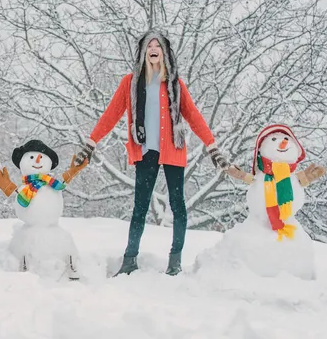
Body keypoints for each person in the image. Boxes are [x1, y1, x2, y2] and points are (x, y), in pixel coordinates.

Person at [75, 30, 239, 276]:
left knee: (178, 205)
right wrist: (91, 142)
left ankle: (175, 262)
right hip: (145, 151)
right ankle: (129, 260)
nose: (153, 48)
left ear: (164, 52)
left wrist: (212, 146)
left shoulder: (175, 84)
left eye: (158, 45)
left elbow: (194, 116)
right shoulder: (130, 83)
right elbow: (111, 114)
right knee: (139, 207)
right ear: (143, 52)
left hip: (172, 150)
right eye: (149, 45)